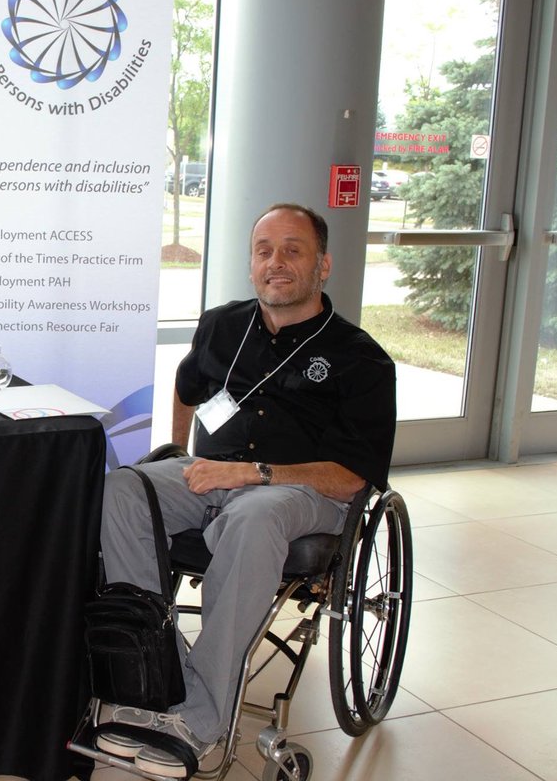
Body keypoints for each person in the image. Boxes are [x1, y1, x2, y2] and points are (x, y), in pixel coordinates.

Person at [97, 203, 396, 777]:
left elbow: (355, 477)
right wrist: (183, 451)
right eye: (264, 250)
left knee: (254, 519)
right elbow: (188, 387)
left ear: (322, 264)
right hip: (214, 473)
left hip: (300, 492)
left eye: (292, 250)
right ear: (251, 263)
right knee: (120, 490)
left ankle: (201, 716)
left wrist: (254, 475)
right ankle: (155, 674)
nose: (275, 262)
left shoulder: (360, 360)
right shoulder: (223, 325)